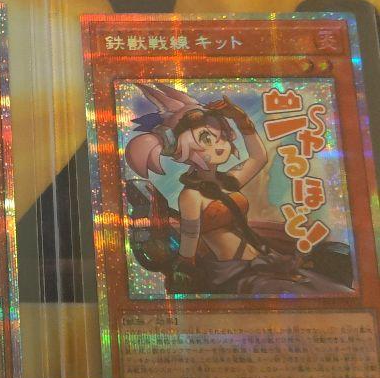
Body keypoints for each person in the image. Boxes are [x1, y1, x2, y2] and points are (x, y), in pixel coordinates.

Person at [124, 81, 354, 297]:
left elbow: (258, 157)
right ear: (184, 151)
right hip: (234, 272)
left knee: (330, 284)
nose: (220, 145)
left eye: (221, 136)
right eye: (206, 139)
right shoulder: (190, 196)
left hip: (264, 260)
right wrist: (185, 272)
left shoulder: (227, 181)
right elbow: (190, 240)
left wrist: (240, 118)